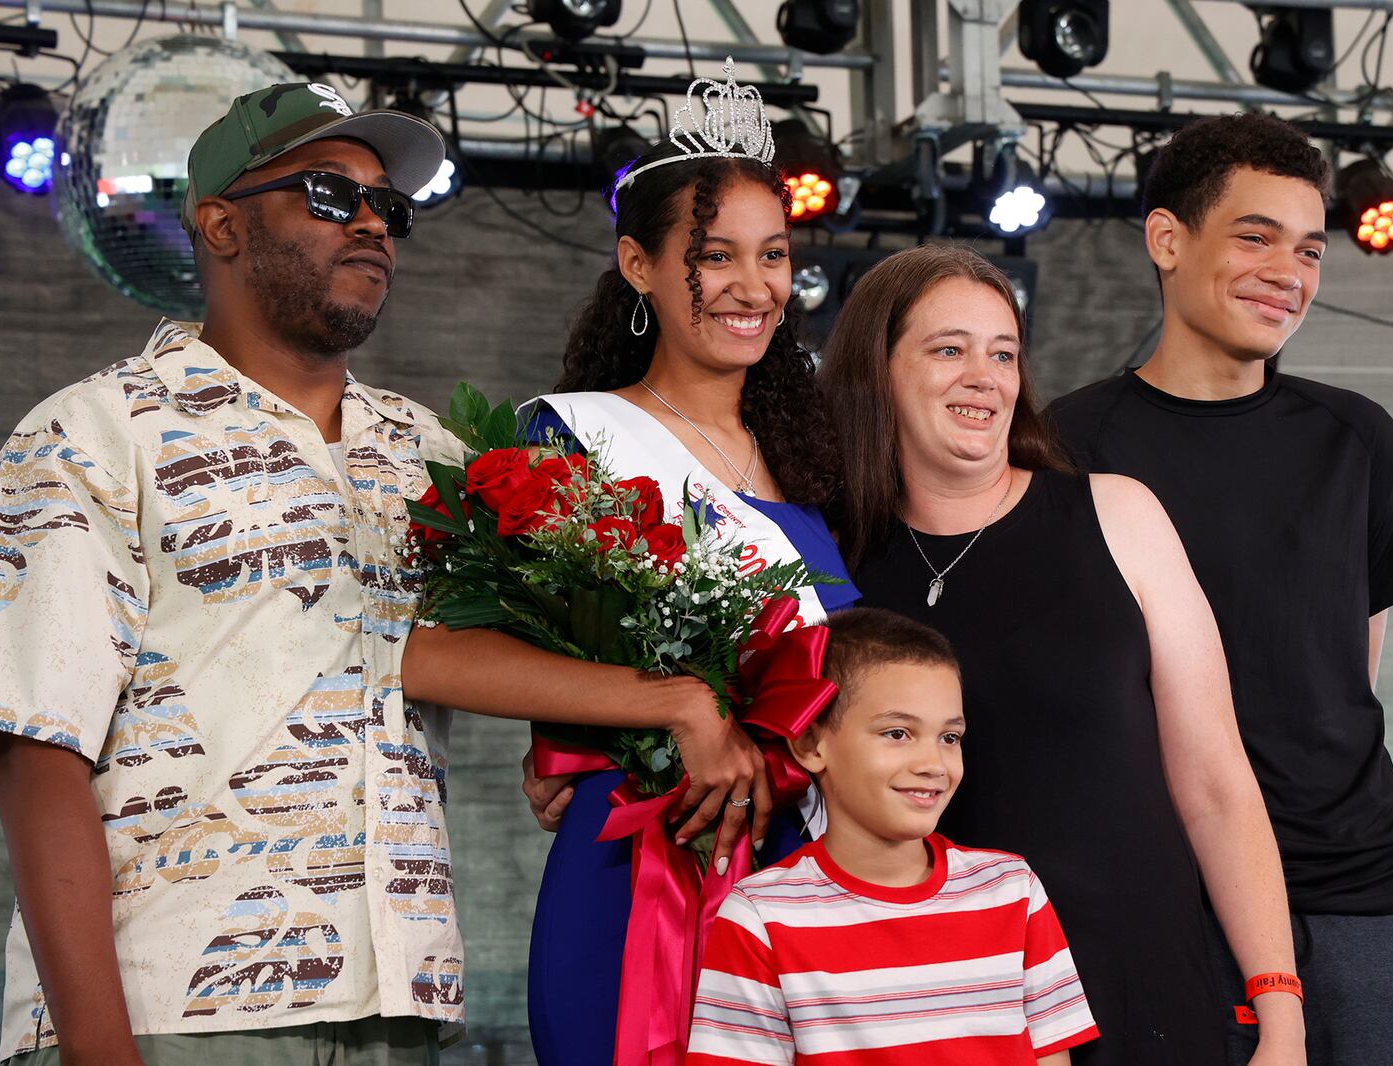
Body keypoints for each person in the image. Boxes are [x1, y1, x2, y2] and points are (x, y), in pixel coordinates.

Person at [0, 82, 460, 1064]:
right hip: (174, 1018)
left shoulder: (432, 455)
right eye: (331, 195)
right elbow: (39, 755)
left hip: (402, 1010)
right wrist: (100, 1050)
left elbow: (479, 656)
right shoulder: (93, 433)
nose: (371, 222)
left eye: (389, 206)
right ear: (221, 225)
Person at [1046, 113, 1393, 1066]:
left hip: (1371, 884)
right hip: (1175, 894)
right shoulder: (1067, 449)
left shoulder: (1358, 439)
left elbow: (1347, 675)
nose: (1287, 271)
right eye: (1254, 236)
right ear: (1167, 240)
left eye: (1309, 248)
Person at [819, 243, 1305, 1066]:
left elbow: (1218, 782)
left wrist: (1280, 1011)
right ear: (877, 370)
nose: (986, 376)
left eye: (1003, 352)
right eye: (949, 349)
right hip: (934, 1005)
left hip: (1139, 983)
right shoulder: (829, 560)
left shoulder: (1117, 516)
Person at [485, 60, 857, 1064]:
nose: (753, 286)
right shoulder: (576, 438)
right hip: (644, 853)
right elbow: (471, 647)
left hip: (807, 861)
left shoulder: (812, 455)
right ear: (640, 265)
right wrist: (640, 715)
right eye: (715, 255)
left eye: (772, 254)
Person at [688, 607, 1099, 1066]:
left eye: (950, 737)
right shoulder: (762, 916)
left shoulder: (1011, 890)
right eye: (898, 733)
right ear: (810, 745)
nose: (933, 763)